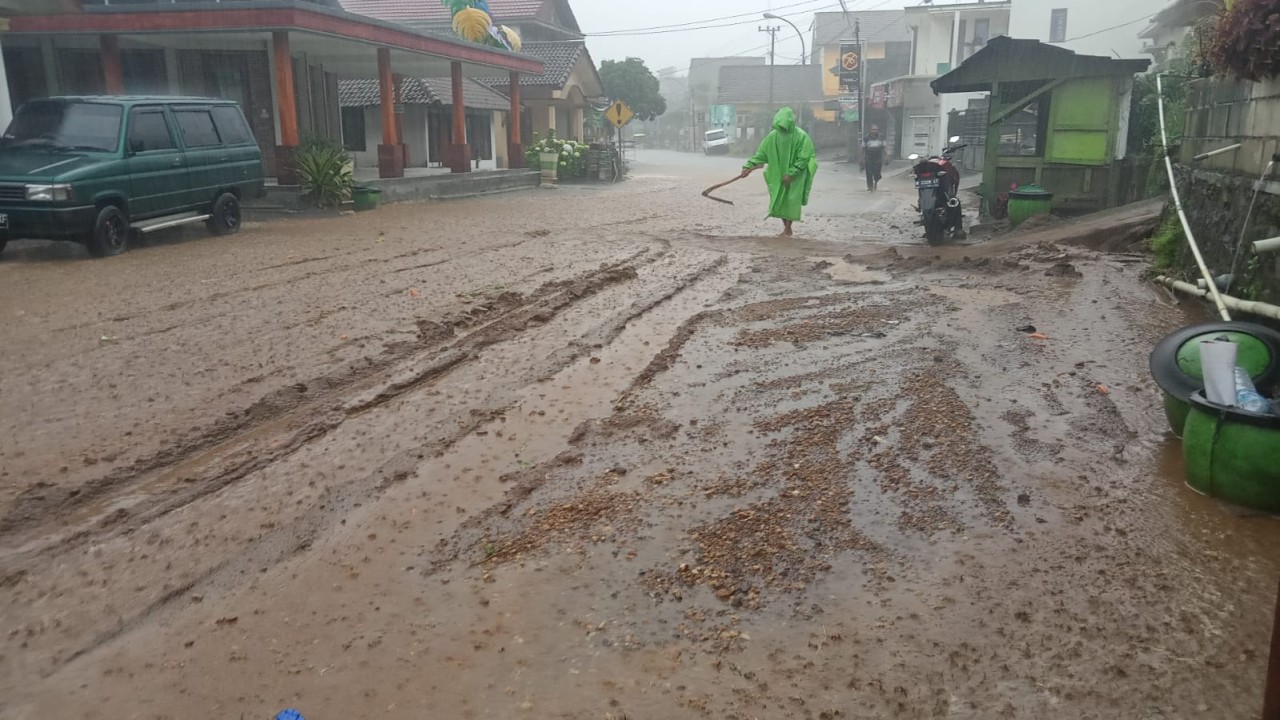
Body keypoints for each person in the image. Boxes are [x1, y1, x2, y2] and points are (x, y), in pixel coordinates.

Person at [739, 107, 818, 237]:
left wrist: (792, 173)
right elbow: (761, 154)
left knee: (791, 200)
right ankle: (786, 228)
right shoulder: (772, 137)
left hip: (796, 177)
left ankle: (788, 228)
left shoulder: (801, 136)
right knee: (779, 200)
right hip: (777, 175)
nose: (782, 129)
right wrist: (748, 166)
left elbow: (804, 158)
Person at [862, 125, 886, 192]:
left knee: (877, 173)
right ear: (870, 130)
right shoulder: (866, 138)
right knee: (869, 174)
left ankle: (876, 181)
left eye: (876, 129)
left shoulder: (881, 137)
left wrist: (887, 156)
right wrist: (861, 159)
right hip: (868, 158)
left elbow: (884, 148)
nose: (875, 131)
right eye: (873, 129)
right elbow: (863, 149)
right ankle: (870, 187)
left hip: (878, 158)